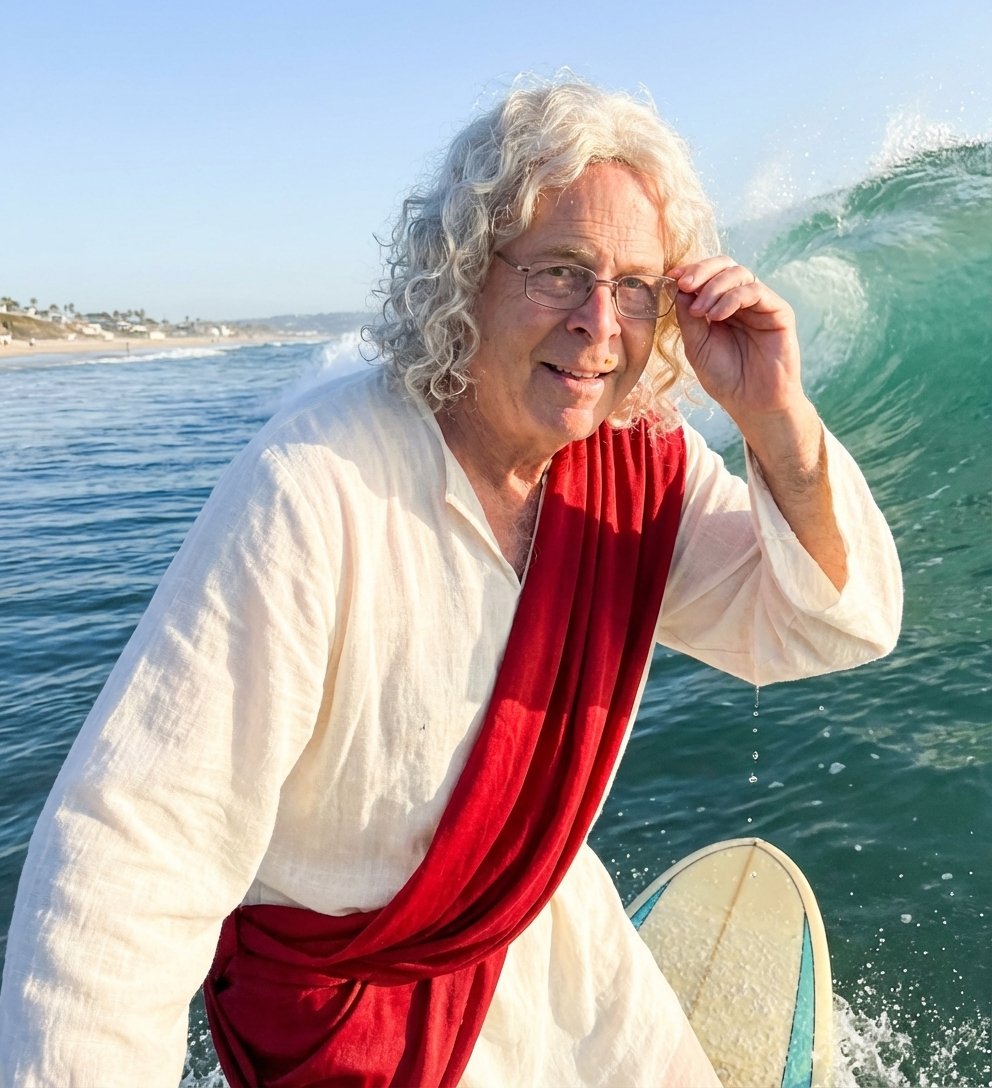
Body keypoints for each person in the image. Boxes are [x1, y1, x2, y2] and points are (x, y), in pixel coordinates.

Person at [0, 77, 902, 1087]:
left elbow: (831, 625)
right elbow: (131, 859)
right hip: (352, 1021)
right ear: (464, 271)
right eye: (560, 272)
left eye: (635, 288)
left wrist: (774, 417)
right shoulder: (316, 484)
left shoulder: (637, 468)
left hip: (558, 950)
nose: (599, 324)